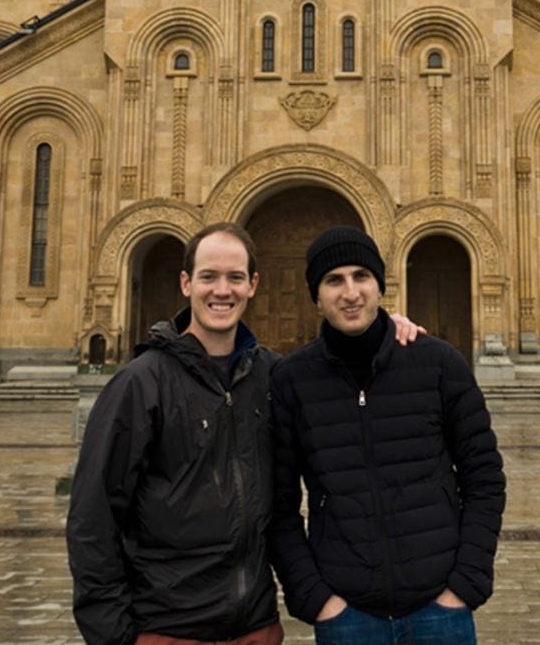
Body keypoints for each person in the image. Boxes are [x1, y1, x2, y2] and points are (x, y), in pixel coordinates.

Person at [67, 222, 424, 645]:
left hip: (255, 625)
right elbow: (93, 518)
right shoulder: (141, 385)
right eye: (209, 277)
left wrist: (385, 331)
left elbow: (346, 406)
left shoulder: (274, 375)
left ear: (253, 284)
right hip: (168, 628)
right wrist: (114, 636)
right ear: (186, 283)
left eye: (235, 277)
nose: (223, 290)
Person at [269, 226, 506, 645]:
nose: (350, 292)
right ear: (316, 295)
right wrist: (315, 597)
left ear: (381, 285)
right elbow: (277, 502)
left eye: (362, 276)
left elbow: (484, 477)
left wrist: (464, 583)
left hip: (440, 611)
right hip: (347, 616)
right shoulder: (292, 380)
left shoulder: (438, 364)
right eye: (333, 280)